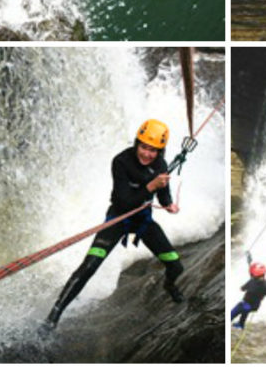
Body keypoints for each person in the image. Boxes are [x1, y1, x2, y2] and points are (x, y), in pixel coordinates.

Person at [41, 119, 183, 331]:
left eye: (153, 150)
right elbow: (125, 201)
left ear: (160, 151)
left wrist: (168, 203)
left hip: (143, 222)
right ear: (137, 143)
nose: (147, 154)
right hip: (118, 219)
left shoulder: (160, 165)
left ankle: (169, 285)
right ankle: (54, 315)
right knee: (89, 265)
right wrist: (151, 185)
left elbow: (162, 192)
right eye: (144, 147)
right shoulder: (121, 162)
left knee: (175, 265)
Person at [231, 262, 266, 329]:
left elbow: (242, 288)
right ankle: (241, 324)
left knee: (236, 310)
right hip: (255, 306)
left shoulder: (251, 281)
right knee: (245, 309)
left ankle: (239, 324)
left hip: (247, 304)